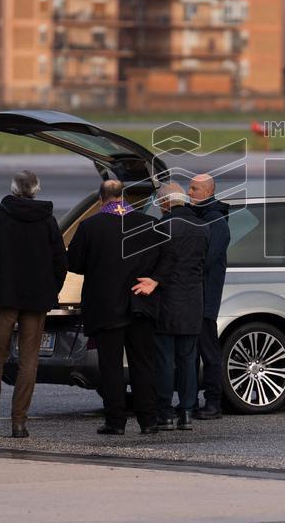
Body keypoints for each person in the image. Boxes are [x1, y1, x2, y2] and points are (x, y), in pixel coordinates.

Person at [0, 170, 67, 440]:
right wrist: (51, 291)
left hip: (3, 298)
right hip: (37, 299)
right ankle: (19, 422)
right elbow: (60, 262)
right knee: (29, 360)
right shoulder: (47, 220)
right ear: (36, 189)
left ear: (13, 188)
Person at [67, 180, 164, 436]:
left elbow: (74, 263)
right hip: (140, 304)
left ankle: (116, 421)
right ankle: (148, 420)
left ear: (101, 199)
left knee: (111, 367)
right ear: (124, 196)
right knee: (143, 364)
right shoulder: (148, 223)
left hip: (106, 306)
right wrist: (155, 280)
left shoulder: (90, 226)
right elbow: (166, 257)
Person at [132, 183, 209, 432]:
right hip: (193, 301)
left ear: (164, 202)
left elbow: (157, 263)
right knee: (188, 360)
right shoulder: (204, 227)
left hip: (166, 301)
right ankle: (186, 412)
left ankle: (165, 413)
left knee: (164, 360)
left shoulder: (162, 227)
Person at [188, 174, 231, 421]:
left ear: (207, 191)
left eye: (194, 189)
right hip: (195, 295)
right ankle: (191, 401)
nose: (189, 192)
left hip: (206, 297)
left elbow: (207, 260)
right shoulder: (201, 217)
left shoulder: (216, 221)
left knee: (209, 352)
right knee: (192, 353)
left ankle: (214, 402)